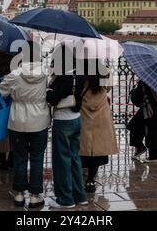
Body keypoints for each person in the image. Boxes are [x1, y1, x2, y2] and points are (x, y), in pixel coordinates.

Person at [0, 41, 50, 209]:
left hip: (17, 121)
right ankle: (35, 195)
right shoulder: (46, 73)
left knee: (20, 158)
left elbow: (0, 91)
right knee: (37, 158)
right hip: (40, 121)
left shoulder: (15, 74)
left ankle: (19, 195)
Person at [46, 45, 88, 209]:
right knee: (75, 158)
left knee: (62, 160)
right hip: (76, 120)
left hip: (62, 121)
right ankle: (80, 195)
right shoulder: (79, 74)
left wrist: (49, 89)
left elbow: (53, 99)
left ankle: (65, 198)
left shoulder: (62, 78)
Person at [79, 59, 118, 193]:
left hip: (83, 112)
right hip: (101, 112)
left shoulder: (80, 71)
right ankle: (91, 179)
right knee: (97, 148)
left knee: (83, 146)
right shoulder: (105, 71)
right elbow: (108, 88)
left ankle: (80, 175)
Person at [128, 80, 157, 162]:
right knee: (152, 129)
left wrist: (133, 91)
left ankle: (152, 155)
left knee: (144, 129)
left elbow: (137, 99)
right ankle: (149, 152)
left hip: (149, 109)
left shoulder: (145, 81)